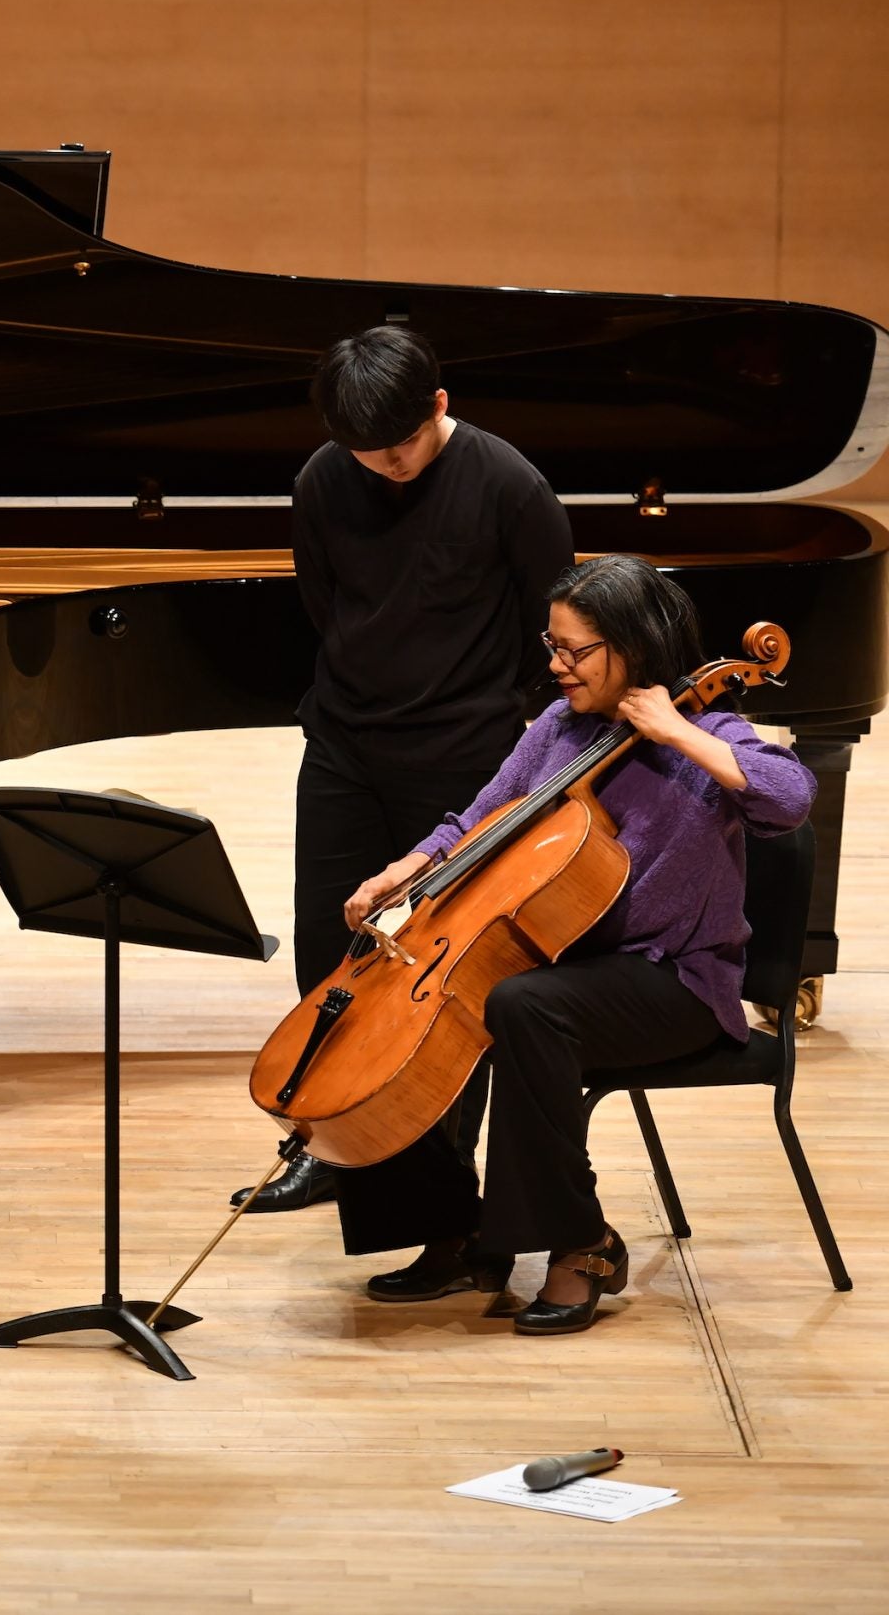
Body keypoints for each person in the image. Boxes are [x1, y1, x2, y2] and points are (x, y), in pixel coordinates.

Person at [330, 556, 811, 1334]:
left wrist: (677, 731)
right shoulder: (558, 729)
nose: (554, 666)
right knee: (425, 1005)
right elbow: (476, 822)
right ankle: (459, 1231)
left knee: (522, 1007)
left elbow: (788, 800)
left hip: (678, 983)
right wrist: (403, 871)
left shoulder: (711, 728)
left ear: (634, 645)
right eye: (551, 645)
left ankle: (578, 1244)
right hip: (570, 969)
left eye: (574, 650)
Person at [239, 325, 574, 1214]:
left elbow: (555, 631)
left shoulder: (510, 485)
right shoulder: (321, 480)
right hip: (347, 747)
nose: (387, 465)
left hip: (466, 759)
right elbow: (326, 606)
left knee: (447, 971)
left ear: (440, 404)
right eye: (365, 452)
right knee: (329, 953)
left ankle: (440, 1186)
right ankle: (326, 1145)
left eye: (402, 446)